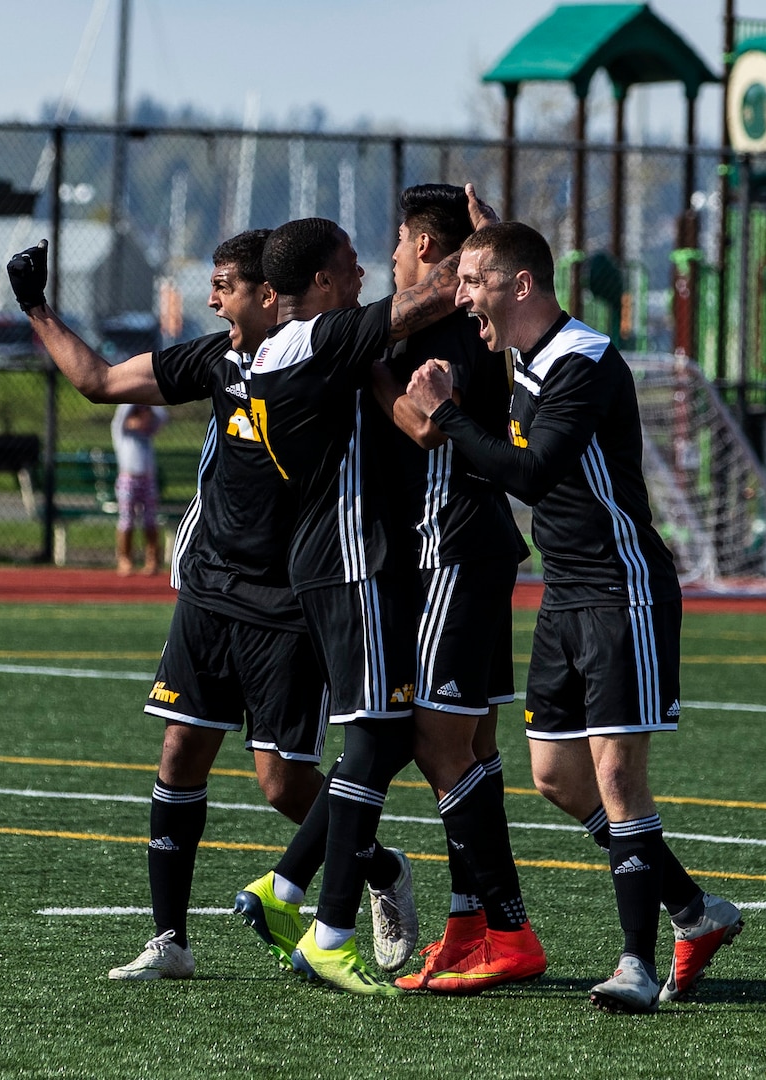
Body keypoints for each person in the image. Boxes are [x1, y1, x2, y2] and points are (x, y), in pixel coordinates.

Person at [406, 221, 743, 1013]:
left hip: (623, 589)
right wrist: (486, 229)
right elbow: (505, 272)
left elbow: (531, 471)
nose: (462, 300)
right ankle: (696, 911)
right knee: (557, 778)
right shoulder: (524, 348)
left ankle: (634, 963)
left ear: (521, 287)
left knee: (617, 776)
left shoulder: (584, 362)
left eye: (474, 283)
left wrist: (448, 417)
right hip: (564, 591)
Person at [8, 230, 329, 981]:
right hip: (210, 588)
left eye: (225, 285)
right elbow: (96, 380)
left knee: (281, 784)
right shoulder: (214, 359)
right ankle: (170, 941)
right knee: (180, 751)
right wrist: (35, 305)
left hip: (287, 599)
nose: (212, 298)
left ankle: (375, 868)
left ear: (269, 295)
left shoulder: (319, 361)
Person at [232, 187, 493, 997]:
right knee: (379, 737)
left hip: (335, 559)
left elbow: (400, 405)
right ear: (320, 280)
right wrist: (491, 241)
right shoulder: (320, 337)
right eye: (350, 261)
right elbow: (434, 296)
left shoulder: (298, 346)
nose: (367, 267)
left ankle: (287, 893)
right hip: (346, 559)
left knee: (380, 738)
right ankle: (328, 929)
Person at [367, 184, 542, 994]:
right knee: (470, 746)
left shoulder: (439, 331)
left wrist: (356, 358)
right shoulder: (465, 324)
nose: (392, 259)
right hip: (471, 549)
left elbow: (422, 424)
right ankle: (471, 924)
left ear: (427, 247)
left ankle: (507, 928)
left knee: (437, 743)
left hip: (455, 549)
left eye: (400, 243)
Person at [110, 402, 169, 575]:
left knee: (150, 520)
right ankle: (124, 559)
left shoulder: (148, 433)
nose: (141, 420)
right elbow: (120, 416)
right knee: (127, 520)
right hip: (128, 480)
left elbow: (163, 416)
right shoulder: (122, 434)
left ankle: (152, 560)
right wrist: (134, 397)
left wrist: (148, 400)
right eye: (138, 415)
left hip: (148, 480)